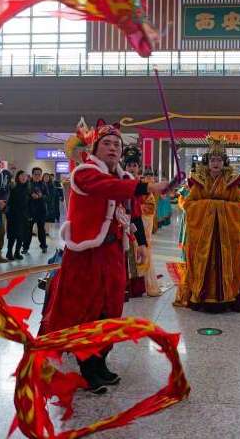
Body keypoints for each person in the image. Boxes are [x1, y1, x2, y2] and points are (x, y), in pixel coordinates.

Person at [40, 120, 169, 394]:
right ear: (95, 148)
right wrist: (148, 186)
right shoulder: (84, 173)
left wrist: (140, 242)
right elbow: (110, 188)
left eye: (117, 145)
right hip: (85, 253)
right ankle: (88, 369)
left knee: (111, 309)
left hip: (113, 252)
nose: (113, 148)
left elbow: (132, 212)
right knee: (87, 310)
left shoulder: (123, 178)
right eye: (107, 143)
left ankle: (100, 362)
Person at [174, 137, 240, 312]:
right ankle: (201, 296)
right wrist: (212, 206)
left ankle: (227, 296)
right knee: (202, 263)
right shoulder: (198, 182)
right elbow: (189, 205)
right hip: (203, 236)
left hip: (226, 236)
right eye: (212, 160)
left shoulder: (231, 182)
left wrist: (217, 207)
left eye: (219, 160)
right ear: (207, 162)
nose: (216, 163)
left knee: (227, 263)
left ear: (224, 162)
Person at [121, 145, 152, 298]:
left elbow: (149, 205)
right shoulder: (119, 182)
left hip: (138, 224)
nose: (131, 168)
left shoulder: (143, 185)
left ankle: (134, 287)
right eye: (129, 165)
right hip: (122, 225)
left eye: (134, 165)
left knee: (136, 255)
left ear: (139, 168)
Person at [6, 170, 30, 261]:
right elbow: (9, 202)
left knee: (21, 235)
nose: (23, 177)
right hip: (14, 215)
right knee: (12, 235)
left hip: (24, 216)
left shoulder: (28, 189)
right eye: (21, 175)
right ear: (18, 177)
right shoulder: (13, 187)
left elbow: (29, 203)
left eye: (25, 176)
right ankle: (9, 252)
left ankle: (17, 252)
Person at [25, 167, 48, 254]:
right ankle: (25, 248)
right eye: (35, 174)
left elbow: (47, 196)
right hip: (30, 211)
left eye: (39, 174)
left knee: (41, 229)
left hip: (41, 211)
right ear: (32, 175)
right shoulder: (28, 184)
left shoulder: (43, 184)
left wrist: (41, 196)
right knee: (28, 230)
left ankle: (44, 246)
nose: (37, 176)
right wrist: (31, 196)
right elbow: (24, 196)